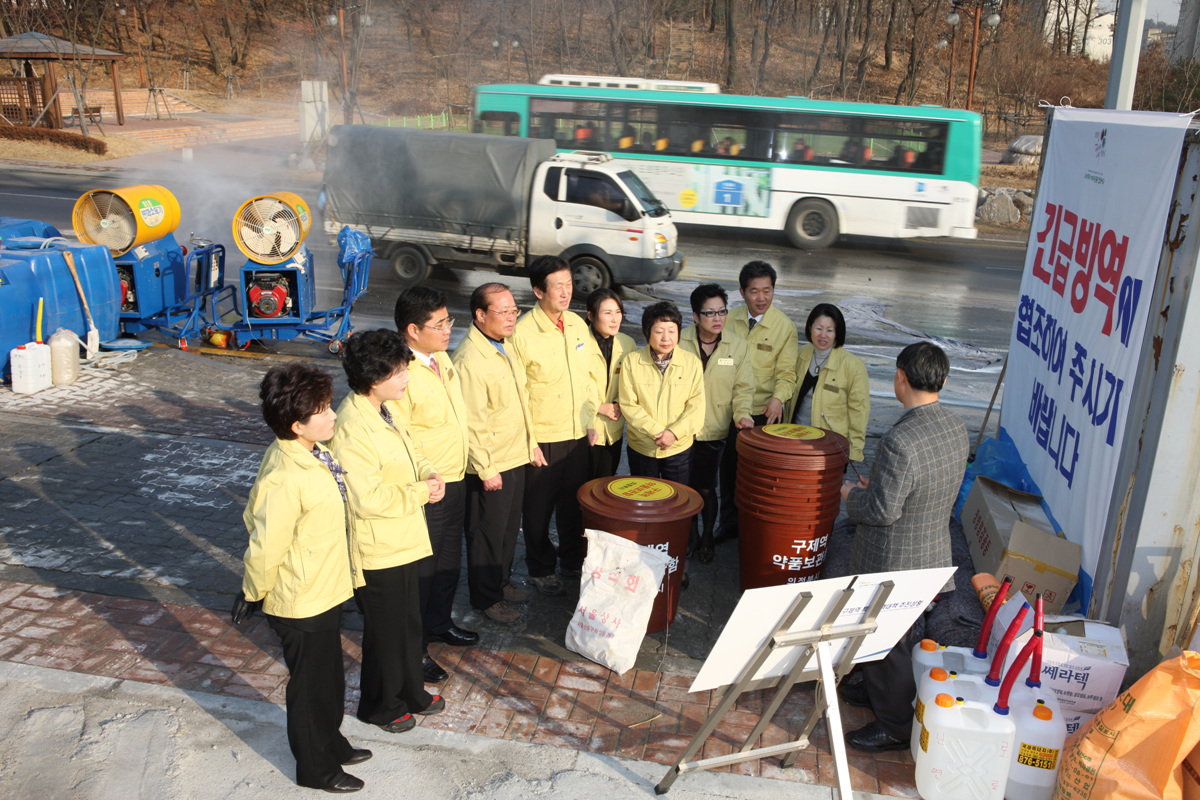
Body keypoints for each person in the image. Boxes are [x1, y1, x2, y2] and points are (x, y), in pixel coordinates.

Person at [234, 362, 371, 793]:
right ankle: (316, 769)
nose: (333, 415)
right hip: (301, 599)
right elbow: (265, 543)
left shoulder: (313, 452)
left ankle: (331, 743)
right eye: (323, 410)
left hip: (324, 588)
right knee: (311, 688)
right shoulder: (284, 474)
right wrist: (252, 592)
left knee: (329, 678)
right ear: (297, 425)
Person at [838, 341, 968, 753]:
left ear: (900, 377)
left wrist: (851, 496)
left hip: (894, 558)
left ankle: (894, 725)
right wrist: (878, 486)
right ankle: (875, 692)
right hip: (931, 549)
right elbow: (923, 486)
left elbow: (881, 511)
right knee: (898, 638)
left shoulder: (900, 439)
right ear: (941, 380)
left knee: (891, 642)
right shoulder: (955, 425)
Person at [329, 330, 446, 738]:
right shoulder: (352, 426)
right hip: (377, 548)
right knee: (386, 632)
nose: (406, 378)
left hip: (403, 538)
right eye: (398, 372)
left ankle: (411, 690)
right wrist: (421, 492)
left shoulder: (384, 409)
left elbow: (412, 451)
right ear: (373, 377)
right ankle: (380, 704)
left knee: (409, 624)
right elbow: (367, 498)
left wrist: (429, 472)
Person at [393, 286, 476, 686]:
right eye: (439, 324)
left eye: (448, 321)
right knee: (422, 573)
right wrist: (425, 479)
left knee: (447, 562)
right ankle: (417, 649)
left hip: (455, 476)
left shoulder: (441, 358)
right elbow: (401, 436)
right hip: (429, 486)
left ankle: (440, 623)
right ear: (413, 329)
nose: (448, 330)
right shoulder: (400, 373)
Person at [453, 282, 542, 624]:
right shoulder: (471, 360)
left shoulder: (504, 345)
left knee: (506, 530)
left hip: (514, 454)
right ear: (480, 314)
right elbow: (472, 422)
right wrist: (486, 468)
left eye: (513, 310)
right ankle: (486, 597)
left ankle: (501, 583)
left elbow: (521, 400)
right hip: (490, 464)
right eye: (503, 312)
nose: (511, 317)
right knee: (486, 534)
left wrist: (531, 444)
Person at [509, 256, 599, 596]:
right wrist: (529, 441)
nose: (565, 292)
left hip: (577, 433)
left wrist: (590, 421)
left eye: (568, 284)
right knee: (537, 509)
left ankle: (571, 561)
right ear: (538, 291)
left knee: (573, 505)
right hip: (543, 437)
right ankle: (540, 567)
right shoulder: (522, 333)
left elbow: (589, 377)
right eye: (557, 286)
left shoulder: (576, 324)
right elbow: (519, 393)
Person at [719, 261, 799, 539]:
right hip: (729, 409)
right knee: (728, 470)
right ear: (742, 292)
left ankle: (755, 527)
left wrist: (778, 399)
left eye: (767, 290)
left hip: (764, 413)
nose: (761, 298)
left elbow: (787, 375)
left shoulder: (784, 327)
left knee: (758, 476)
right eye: (754, 291)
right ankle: (727, 524)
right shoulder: (729, 319)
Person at [678, 284, 754, 563]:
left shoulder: (737, 345)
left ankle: (708, 535)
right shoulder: (679, 341)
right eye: (709, 313)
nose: (717, 318)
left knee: (707, 488)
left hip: (714, 429)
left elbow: (743, 388)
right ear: (696, 317)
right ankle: (690, 538)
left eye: (722, 311)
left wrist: (743, 414)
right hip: (681, 429)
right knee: (684, 490)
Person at [618, 301, 705, 483]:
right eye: (659, 331)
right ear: (647, 332)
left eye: (672, 331)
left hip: (679, 448)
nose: (666, 338)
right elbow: (628, 404)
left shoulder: (692, 363)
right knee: (643, 496)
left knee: (678, 497)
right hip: (643, 447)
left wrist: (673, 433)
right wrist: (657, 432)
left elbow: (696, 407)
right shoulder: (631, 362)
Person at [788, 303, 870, 463]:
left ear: (837, 332)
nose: (823, 335)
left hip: (830, 447)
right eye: (819, 328)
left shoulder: (853, 365)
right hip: (796, 440)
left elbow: (859, 410)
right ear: (810, 328)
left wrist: (854, 451)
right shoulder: (801, 355)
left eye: (829, 330)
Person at [586, 288, 636, 480]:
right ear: (591, 316)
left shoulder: (627, 343)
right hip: (586, 427)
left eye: (618, 312)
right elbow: (571, 386)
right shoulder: (579, 343)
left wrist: (618, 404)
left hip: (613, 429)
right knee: (583, 486)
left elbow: (631, 383)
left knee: (606, 483)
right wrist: (598, 407)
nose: (615, 319)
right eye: (607, 313)